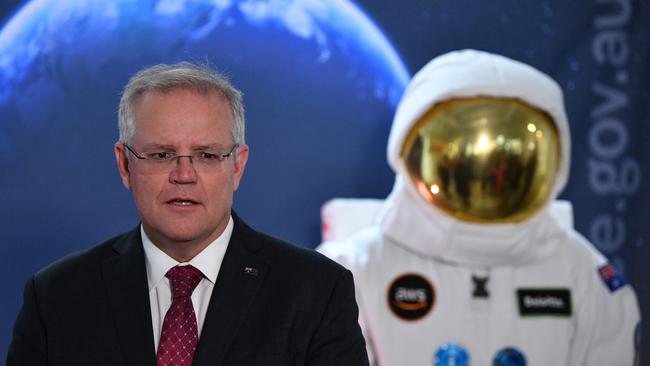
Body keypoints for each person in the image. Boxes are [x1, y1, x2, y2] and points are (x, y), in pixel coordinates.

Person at [7, 62, 369, 366]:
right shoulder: (56, 297)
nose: (184, 175)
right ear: (124, 164)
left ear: (238, 167)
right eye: (161, 154)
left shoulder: (316, 292)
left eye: (208, 155)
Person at [318, 50, 641, 366]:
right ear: (407, 150)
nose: (484, 175)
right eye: (463, 155)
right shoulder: (354, 270)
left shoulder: (581, 274)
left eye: (506, 160)